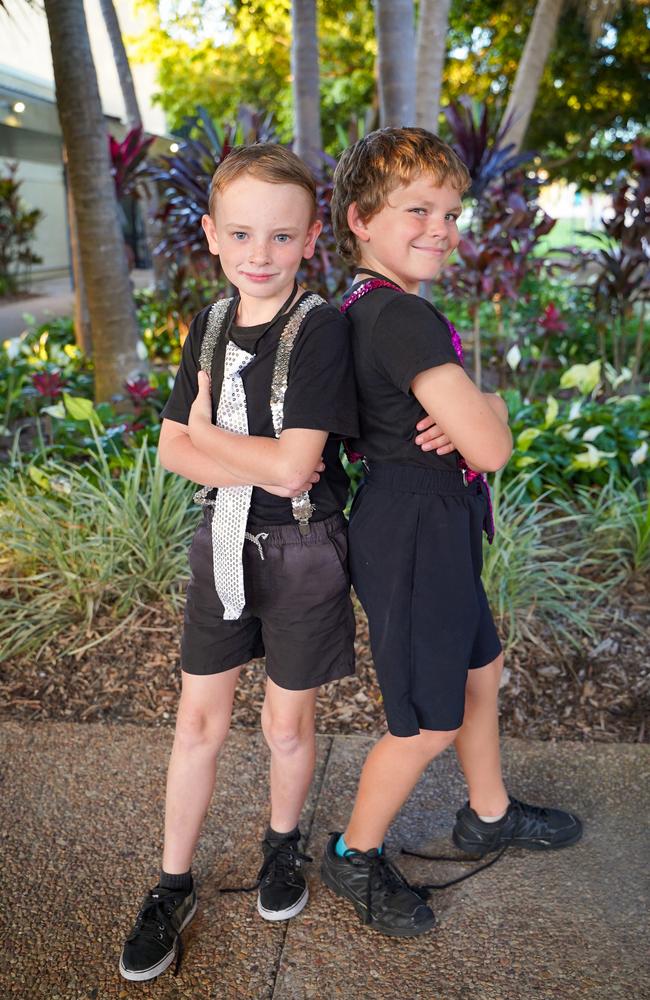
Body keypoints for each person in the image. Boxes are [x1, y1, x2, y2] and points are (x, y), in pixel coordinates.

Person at [320, 127, 583, 937]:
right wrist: (491, 408)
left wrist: (474, 415)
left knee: (481, 668)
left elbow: (465, 434)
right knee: (427, 718)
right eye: (418, 210)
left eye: (451, 210)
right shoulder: (401, 317)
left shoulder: (370, 309)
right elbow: (492, 446)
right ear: (361, 219)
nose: (441, 227)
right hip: (412, 533)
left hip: (427, 516)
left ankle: (489, 813)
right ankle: (353, 855)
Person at [119, 143, 361, 982]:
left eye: (282, 238)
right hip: (220, 536)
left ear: (312, 238)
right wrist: (237, 454)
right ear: (213, 237)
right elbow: (168, 452)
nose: (261, 255)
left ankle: (282, 846)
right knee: (198, 722)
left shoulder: (321, 327)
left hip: (300, 549)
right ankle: (171, 882)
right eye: (243, 235)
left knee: (285, 724)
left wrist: (210, 438)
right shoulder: (210, 323)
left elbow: (295, 472)